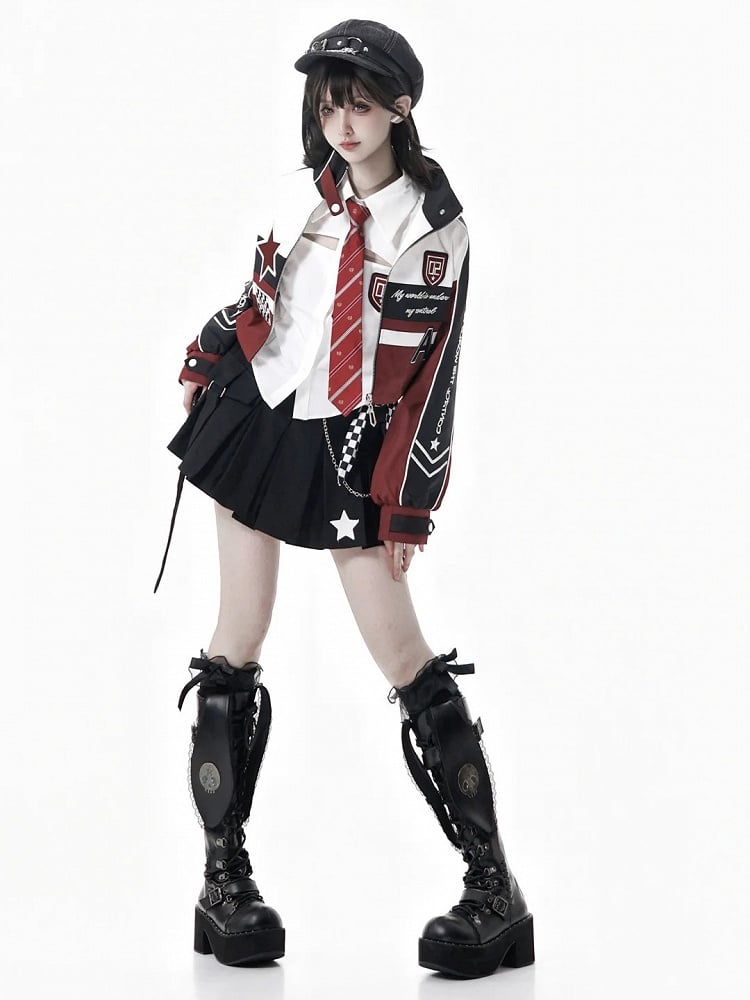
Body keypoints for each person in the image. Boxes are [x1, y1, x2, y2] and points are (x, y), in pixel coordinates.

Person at [155, 18, 535, 979]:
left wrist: (408, 502)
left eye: (359, 103)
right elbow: (268, 300)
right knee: (235, 639)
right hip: (254, 416)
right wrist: (207, 355)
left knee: (405, 656)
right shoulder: (306, 199)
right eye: (329, 106)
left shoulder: (433, 228)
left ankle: (495, 889)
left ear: (400, 105)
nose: (343, 123)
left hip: (349, 441)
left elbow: (432, 379)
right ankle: (223, 883)